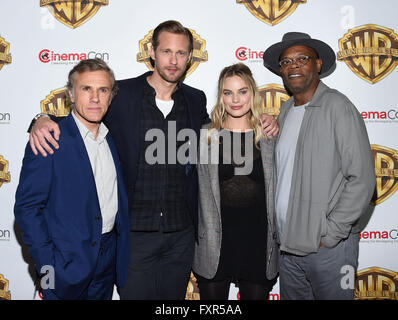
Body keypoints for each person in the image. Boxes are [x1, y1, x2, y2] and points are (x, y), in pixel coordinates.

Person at [28, 20, 278, 300]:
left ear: (189, 57)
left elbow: (228, 130)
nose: (173, 60)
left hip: (181, 237)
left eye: (181, 53)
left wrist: (265, 118)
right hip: (135, 236)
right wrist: (41, 119)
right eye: (166, 51)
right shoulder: (122, 95)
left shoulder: (195, 101)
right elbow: (85, 116)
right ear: (152, 51)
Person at [262, 32, 376, 300]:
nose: (294, 66)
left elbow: (361, 178)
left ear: (317, 64)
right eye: (286, 62)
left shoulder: (338, 107)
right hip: (288, 249)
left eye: (303, 58)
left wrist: (331, 233)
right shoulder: (286, 110)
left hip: (328, 250)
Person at [14, 58, 129, 300]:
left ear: (111, 96)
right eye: (86, 89)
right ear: (71, 95)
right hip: (62, 266)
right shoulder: (50, 139)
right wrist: (48, 271)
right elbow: (27, 209)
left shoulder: (112, 138)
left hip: (106, 264)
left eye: (103, 90)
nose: (95, 98)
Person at [193, 63, 278, 300]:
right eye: (228, 92)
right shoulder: (204, 137)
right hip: (214, 245)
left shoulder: (271, 137)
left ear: (253, 93)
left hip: (258, 246)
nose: (235, 99)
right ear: (221, 97)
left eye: (242, 91)